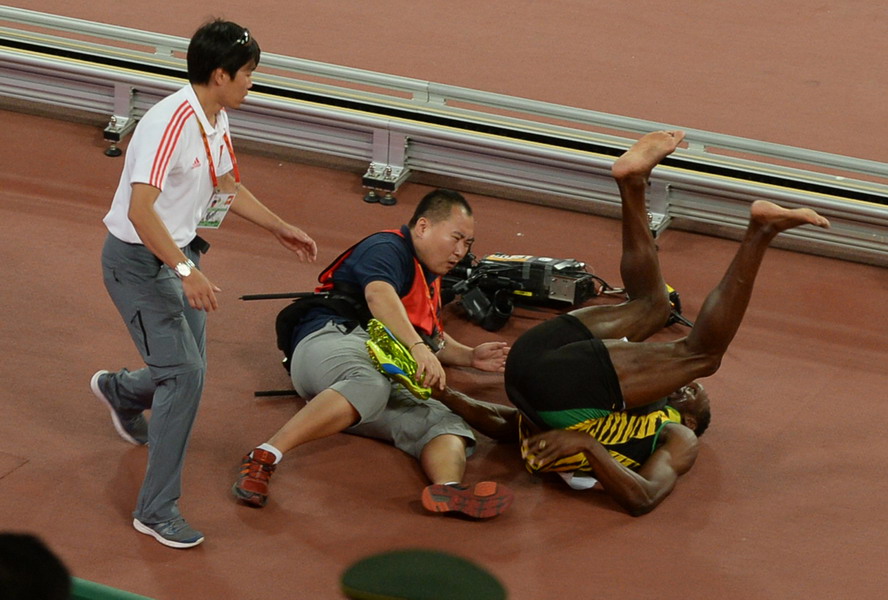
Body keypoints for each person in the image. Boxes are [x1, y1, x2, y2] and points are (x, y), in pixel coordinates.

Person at [432, 130, 830, 516]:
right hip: (541, 376)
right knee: (657, 309)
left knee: (699, 353)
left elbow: (642, 496)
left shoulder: (678, 434)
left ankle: (727, 216)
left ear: (691, 419)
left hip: (531, 376)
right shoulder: (609, 409)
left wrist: (444, 393)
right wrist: (586, 445)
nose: (688, 385)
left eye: (694, 395)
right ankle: (639, 183)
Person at [90, 19, 317, 549]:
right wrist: (187, 272)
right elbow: (141, 213)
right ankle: (155, 510)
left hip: (179, 255)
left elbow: (227, 186)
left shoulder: (215, 117)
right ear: (220, 74)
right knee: (185, 376)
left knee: (185, 370)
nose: (251, 84)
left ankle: (119, 391)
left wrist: (279, 226)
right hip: (137, 263)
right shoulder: (168, 123)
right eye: (248, 75)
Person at [233, 188, 514, 518]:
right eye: (456, 238)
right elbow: (380, 297)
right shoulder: (387, 248)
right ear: (423, 227)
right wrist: (418, 348)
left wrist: (469, 356)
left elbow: (431, 336)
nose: (460, 251)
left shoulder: (429, 279)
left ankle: (449, 489)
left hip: (380, 367)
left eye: (467, 244)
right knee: (369, 383)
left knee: (442, 421)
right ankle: (264, 456)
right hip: (330, 339)